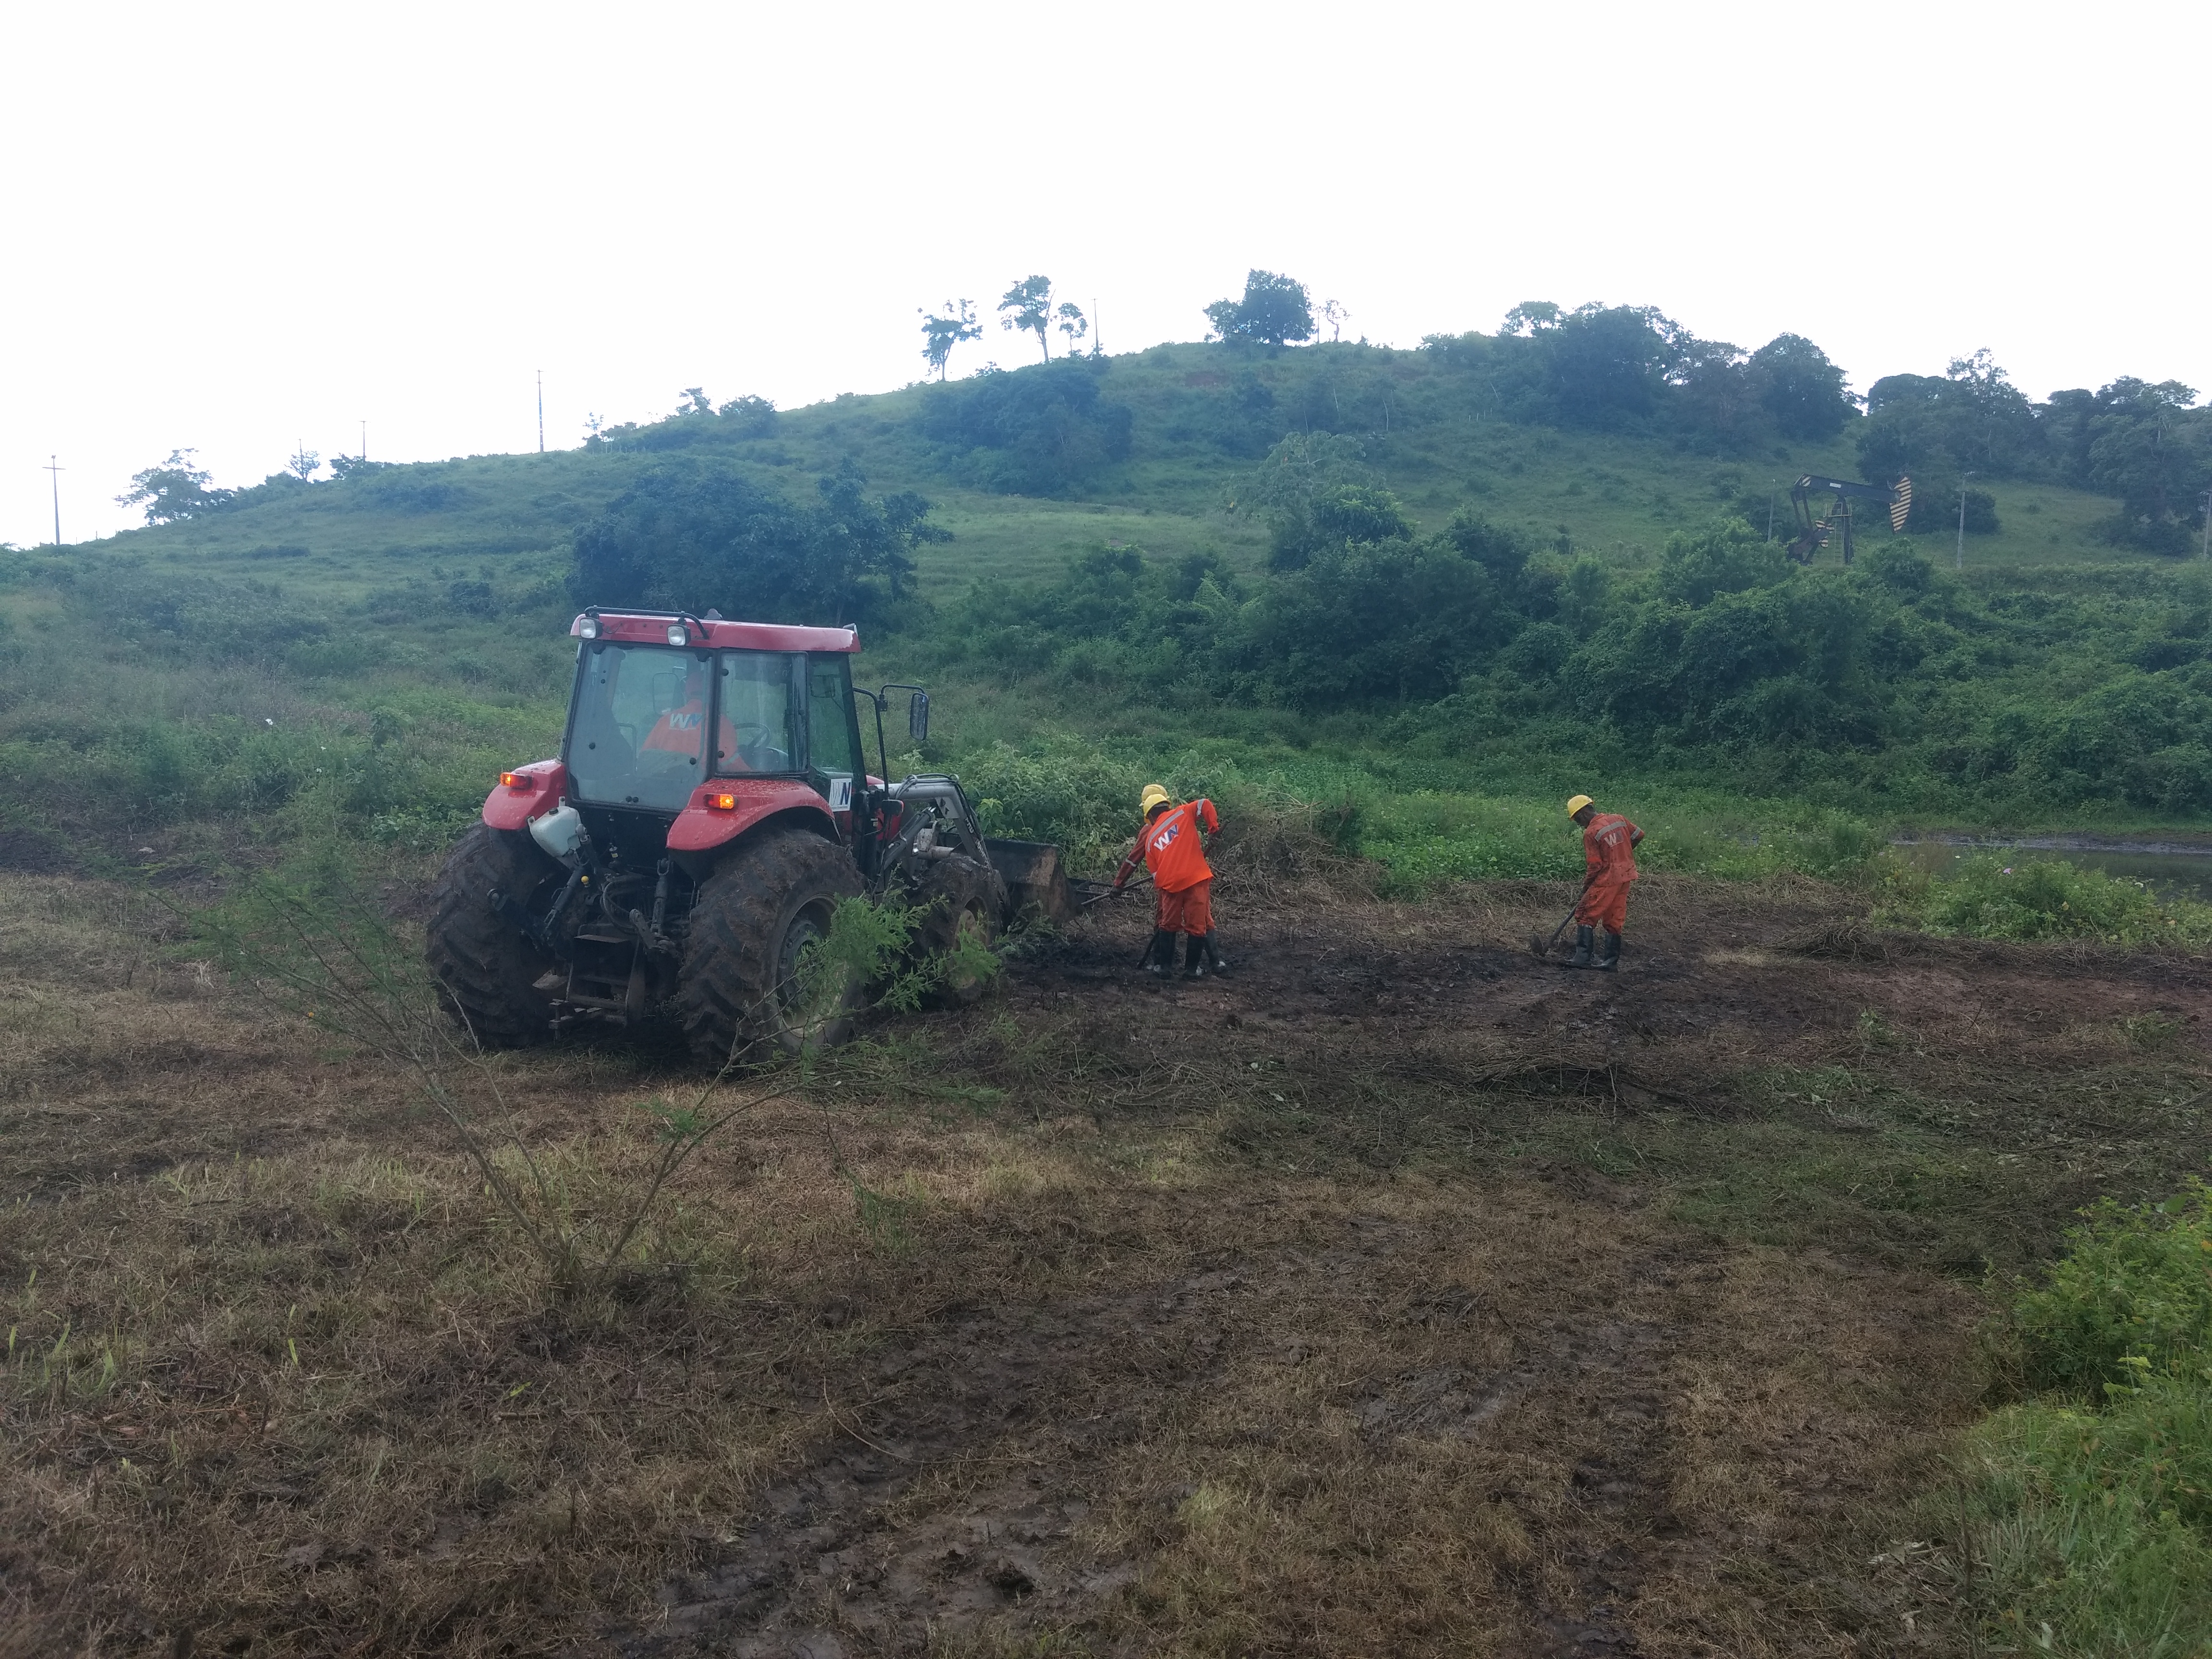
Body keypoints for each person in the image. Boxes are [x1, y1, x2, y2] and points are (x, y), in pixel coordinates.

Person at [1113, 784, 1229, 978]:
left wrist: (1119, 885)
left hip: (1169, 884)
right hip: (1196, 877)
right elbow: (1205, 804)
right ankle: (1196, 969)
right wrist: (1212, 830)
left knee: (1166, 923)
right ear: (1167, 803)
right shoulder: (1182, 813)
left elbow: (1152, 870)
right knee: (1201, 922)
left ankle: (1163, 966)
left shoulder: (1150, 836)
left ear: (1149, 814)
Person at [1566, 793, 1643, 972]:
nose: (1580, 824)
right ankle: (1610, 962)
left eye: (1578, 820)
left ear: (1584, 813)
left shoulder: (1591, 833)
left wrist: (1586, 889)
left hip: (1607, 879)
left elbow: (1595, 866)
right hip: (1626, 875)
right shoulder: (1619, 819)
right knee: (1614, 918)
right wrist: (1622, 852)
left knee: (1585, 913)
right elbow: (1639, 835)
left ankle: (1583, 958)